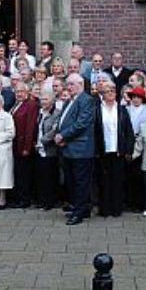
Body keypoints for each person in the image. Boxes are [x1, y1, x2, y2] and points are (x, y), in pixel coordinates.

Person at [55, 74, 97, 226]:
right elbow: (63, 121)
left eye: (71, 84)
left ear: (80, 84)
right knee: (72, 181)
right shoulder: (69, 101)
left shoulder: (86, 100)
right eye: (68, 84)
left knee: (81, 182)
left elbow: (82, 123)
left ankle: (79, 213)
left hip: (81, 149)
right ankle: (80, 208)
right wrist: (60, 136)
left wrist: (63, 135)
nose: (69, 87)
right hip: (68, 148)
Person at [95, 83, 135, 217]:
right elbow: (95, 131)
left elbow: (128, 131)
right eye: (107, 91)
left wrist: (128, 150)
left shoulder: (122, 110)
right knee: (103, 180)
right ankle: (105, 209)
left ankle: (117, 209)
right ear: (102, 94)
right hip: (103, 151)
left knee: (117, 180)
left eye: (113, 90)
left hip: (118, 151)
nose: (111, 93)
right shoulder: (97, 109)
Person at [9, 82, 38, 208]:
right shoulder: (16, 104)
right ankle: (19, 197)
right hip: (15, 145)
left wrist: (27, 147)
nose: (19, 94)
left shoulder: (31, 105)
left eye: (21, 91)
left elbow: (30, 127)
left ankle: (24, 199)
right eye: (17, 92)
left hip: (23, 146)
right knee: (18, 173)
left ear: (27, 92)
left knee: (24, 174)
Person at [35, 91, 61, 211]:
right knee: (41, 177)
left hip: (50, 150)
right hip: (38, 150)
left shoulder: (56, 114)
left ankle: (50, 202)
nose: (43, 102)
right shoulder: (39, 113)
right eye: (42, 99)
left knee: (50, 177)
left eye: (46, 99)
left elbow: (54, 131)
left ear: (52, 101)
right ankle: (42, 200)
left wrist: (42, 141)